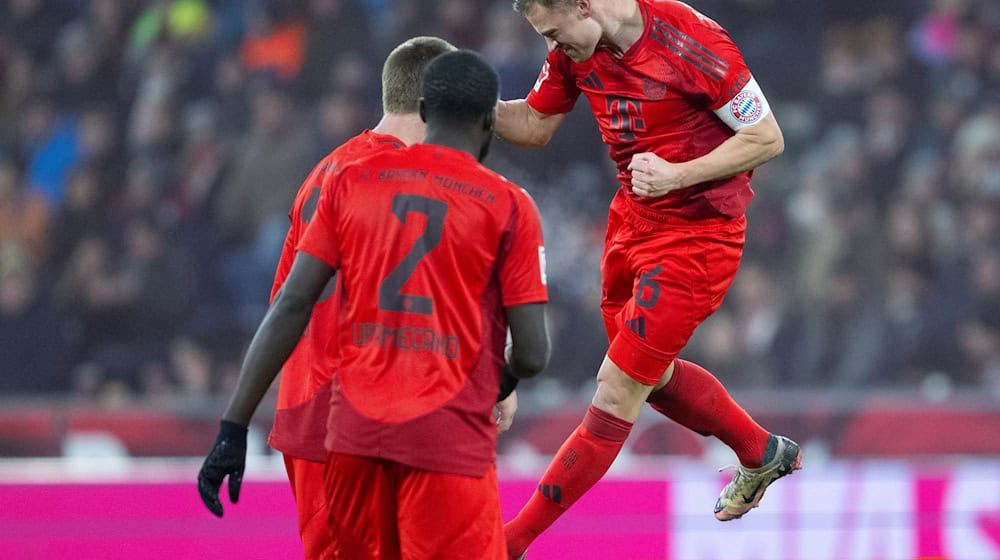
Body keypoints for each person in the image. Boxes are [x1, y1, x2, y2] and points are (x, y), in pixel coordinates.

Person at [202, 48, 551, 560]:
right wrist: (493, 382)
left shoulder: (344, 173)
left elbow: (292, 303)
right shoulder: (490, 198)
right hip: (369, 415)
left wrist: (234, 423)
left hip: (346, 427)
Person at [495, 0, 801, 555]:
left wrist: (678, 173)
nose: (552, 45)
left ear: (583, 5)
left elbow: (767, 138)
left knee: (618, 387)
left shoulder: (689, 38)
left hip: (697, 237)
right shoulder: (574, 47)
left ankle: (507, 543)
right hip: (631, 220)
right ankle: (761, 452)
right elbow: (535, 125)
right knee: (648, 377)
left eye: (553, 31)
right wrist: (463, 107)